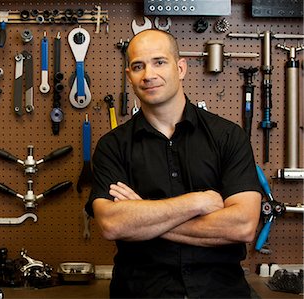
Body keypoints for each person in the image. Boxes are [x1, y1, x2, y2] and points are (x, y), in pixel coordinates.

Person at [85, 29, 262, 298]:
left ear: (180, 68)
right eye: (137, 66)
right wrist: (197, 202)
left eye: (159, 62)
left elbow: (243, 226)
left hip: (221, 292)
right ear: (129, 76)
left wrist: (143, 217)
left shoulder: (228, 136)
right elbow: (113, 225)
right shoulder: (112, 146)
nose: (148, 75)